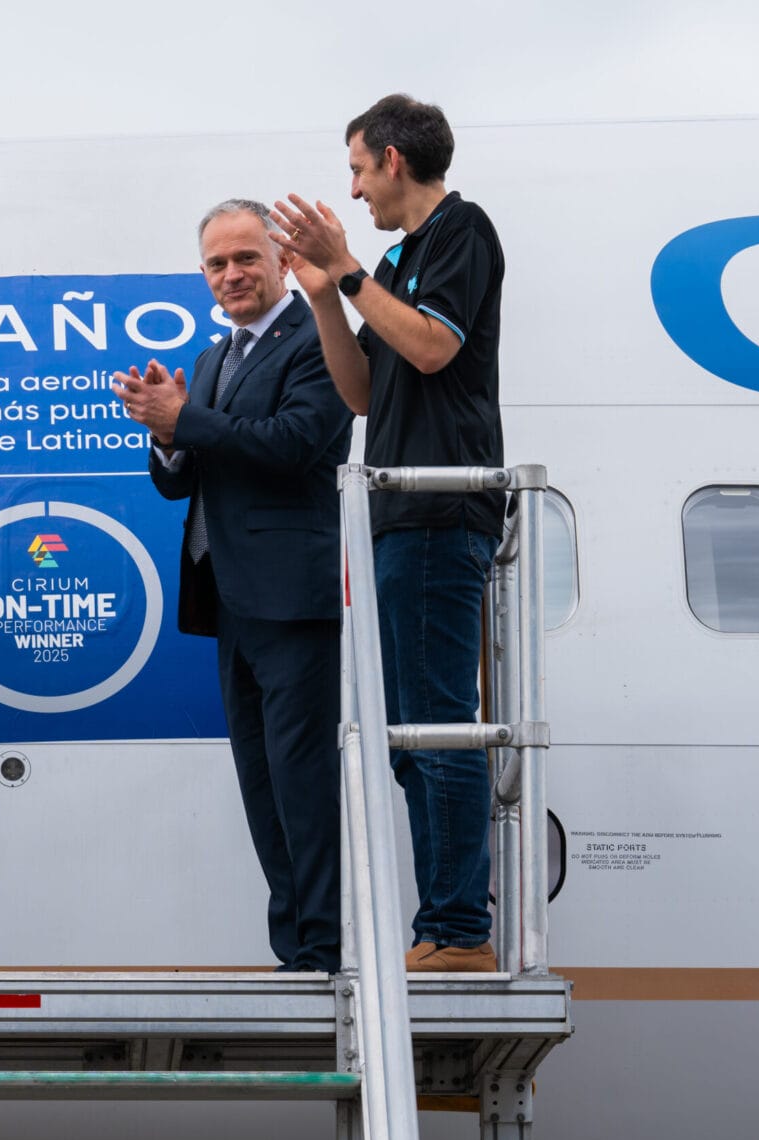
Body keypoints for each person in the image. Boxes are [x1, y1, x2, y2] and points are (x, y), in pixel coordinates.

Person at [271, 94, 507, 973]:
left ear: (396, 162)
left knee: (438, 723)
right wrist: (326, 294)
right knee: (414, 730)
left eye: (360, 169)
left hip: (441, 510)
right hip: (402, 511)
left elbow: (437, 349)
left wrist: (351, 271)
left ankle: (457, 928)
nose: (357, 190)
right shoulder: (401, 258)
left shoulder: (461, 233)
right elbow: (368, 391)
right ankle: (443, 922)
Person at [113, 200, 353, 973]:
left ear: (281, 261)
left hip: (294, 597)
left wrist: (188, 419)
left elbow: (292, 446)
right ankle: (295, 947)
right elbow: (179, 482)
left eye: (246, 257)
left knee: (301, 776)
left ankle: (323, 945)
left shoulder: (319, 338)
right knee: (261, 780)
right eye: (216, 264)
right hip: (230, 598)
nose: (232, 274)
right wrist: (165, 431)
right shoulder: (216, 358)